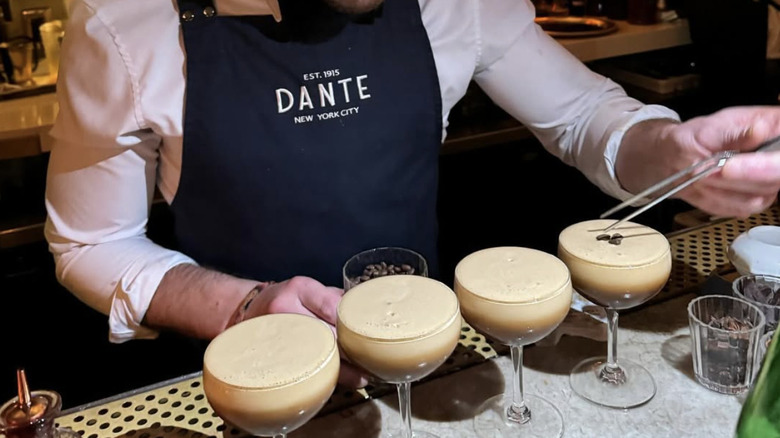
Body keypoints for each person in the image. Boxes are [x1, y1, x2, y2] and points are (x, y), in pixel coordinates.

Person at [45, 0, 780, 389]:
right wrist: (241, 304)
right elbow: (91, 242)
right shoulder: (123, 19)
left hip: (422, 368)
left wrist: (675, 152)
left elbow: (587, 118)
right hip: (243, 385)